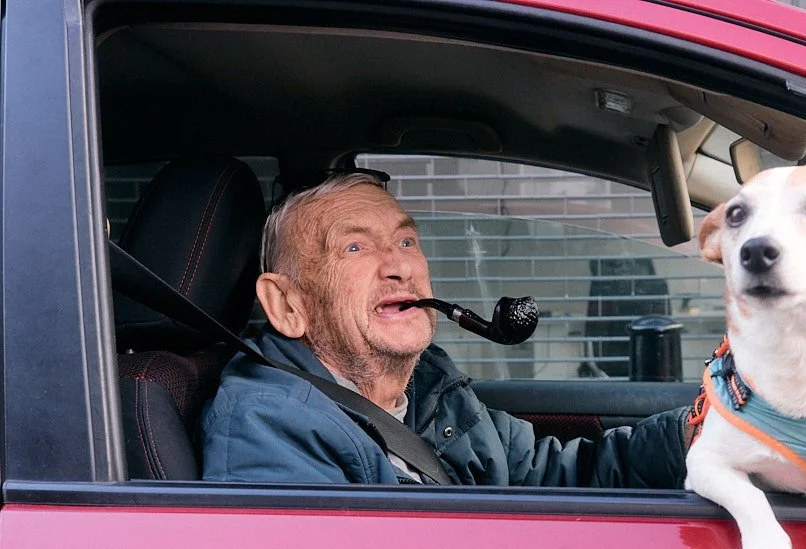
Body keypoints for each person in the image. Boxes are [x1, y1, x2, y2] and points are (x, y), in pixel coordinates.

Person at [200, 172, 691, 486]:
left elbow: (553, 477)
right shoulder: (268, 426)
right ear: (287, 304)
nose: (399, 268)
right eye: (355, 248)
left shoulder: (433, 386)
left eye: (407, 241)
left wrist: (694, 434)